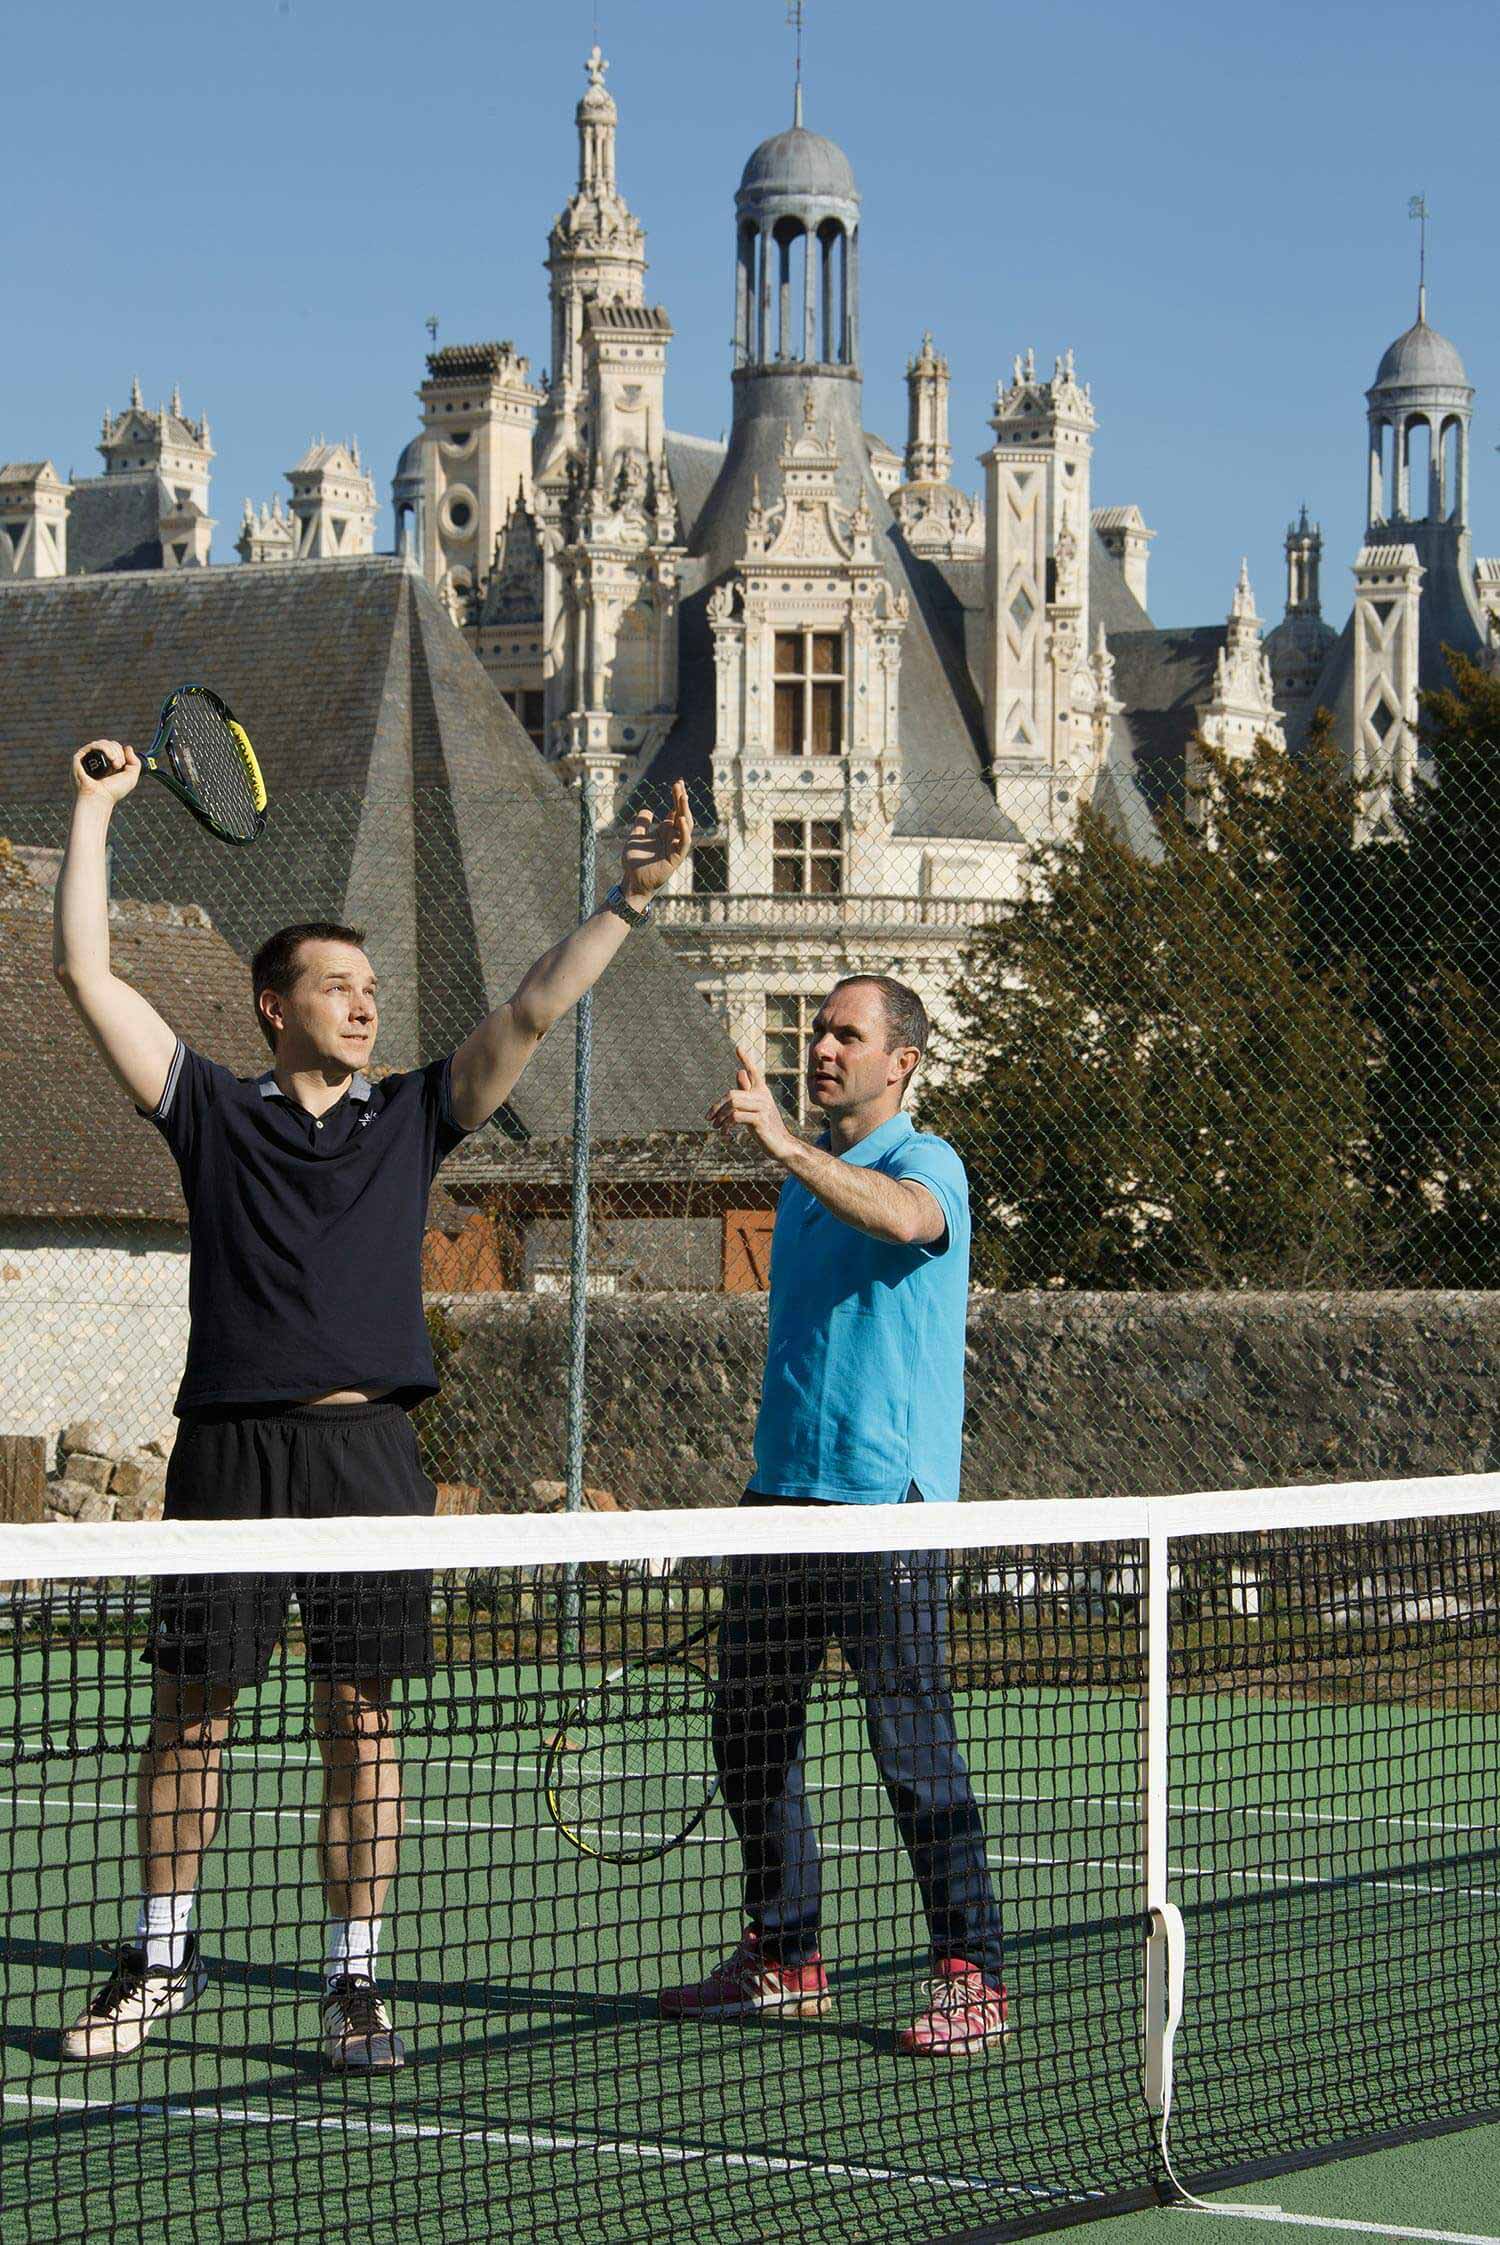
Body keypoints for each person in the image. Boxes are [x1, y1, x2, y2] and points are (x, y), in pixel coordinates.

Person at [53, 738, 690, 2069]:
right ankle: (157, 1960)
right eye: (337, 987)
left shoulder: (410, 1116)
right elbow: (86, 974)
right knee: (194, 1712)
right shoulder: (208, 1111)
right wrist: (94, 810)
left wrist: (628, 904)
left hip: (367, 1453)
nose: (364, 1003)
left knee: (363, 1718)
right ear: (273, 1010)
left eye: (372, 987)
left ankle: (353, 1984)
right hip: (232, 1447)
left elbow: (529, 1012)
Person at [659, 975, 1007, 2056]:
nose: (822, 1048)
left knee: (911, 1750)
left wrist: (789, 1149)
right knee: (748, 1735)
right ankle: (785, 1952)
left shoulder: (922, 1160)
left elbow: (907, 1220)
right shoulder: (805, 1188)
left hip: (886, 1508)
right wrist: (795, 1159)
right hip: (780, 1503)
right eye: (816, 1030)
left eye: (847, 1035)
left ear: (899, 1061)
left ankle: (972, 1972)